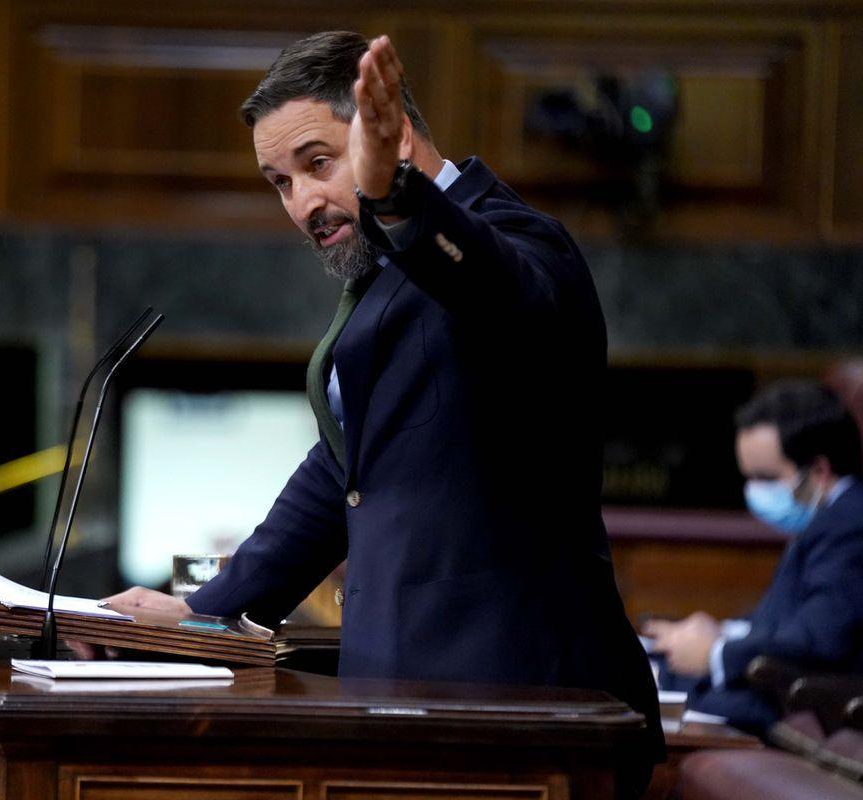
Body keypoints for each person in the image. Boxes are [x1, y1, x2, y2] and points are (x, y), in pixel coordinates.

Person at [104, 31, 664, 794]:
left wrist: (396, 197)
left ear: (391, 136)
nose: (302, 204)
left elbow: (495, 289)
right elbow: (343, 472)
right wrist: (204, 617)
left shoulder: (520, 243)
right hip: (412, 716)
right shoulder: (383, 280)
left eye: (318, 164)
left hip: (526, 720)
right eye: (279, 182)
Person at [645, 380, 863, 734]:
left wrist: (716, 652)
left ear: (819, 472)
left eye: (766, 477)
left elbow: (818, 641)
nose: (756, 492)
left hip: (804, 703)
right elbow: (788, 619)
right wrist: (714, 632)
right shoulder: (831, 519)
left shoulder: (851, 524)